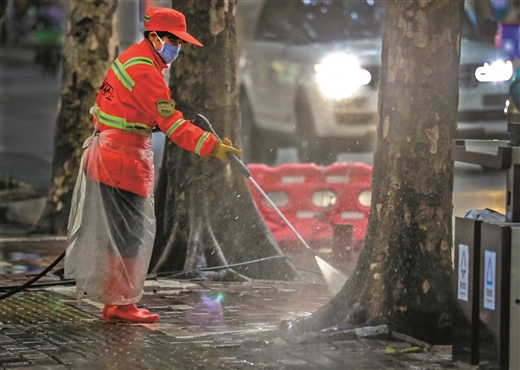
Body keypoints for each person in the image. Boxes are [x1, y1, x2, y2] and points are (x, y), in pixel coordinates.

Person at [65, 7, 242, 324]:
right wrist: (214, 147)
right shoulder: (147, 72)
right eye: (173, 40)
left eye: (180, 42)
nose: (177, 47)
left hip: (108, 155)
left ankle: (115, 302)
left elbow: (114, 106)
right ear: (155, 37)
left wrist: (144, 122)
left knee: (120, 235)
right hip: (123, 161)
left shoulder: (131, 57)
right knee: (131, 236)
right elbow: (175, 127)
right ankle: (122, 305)